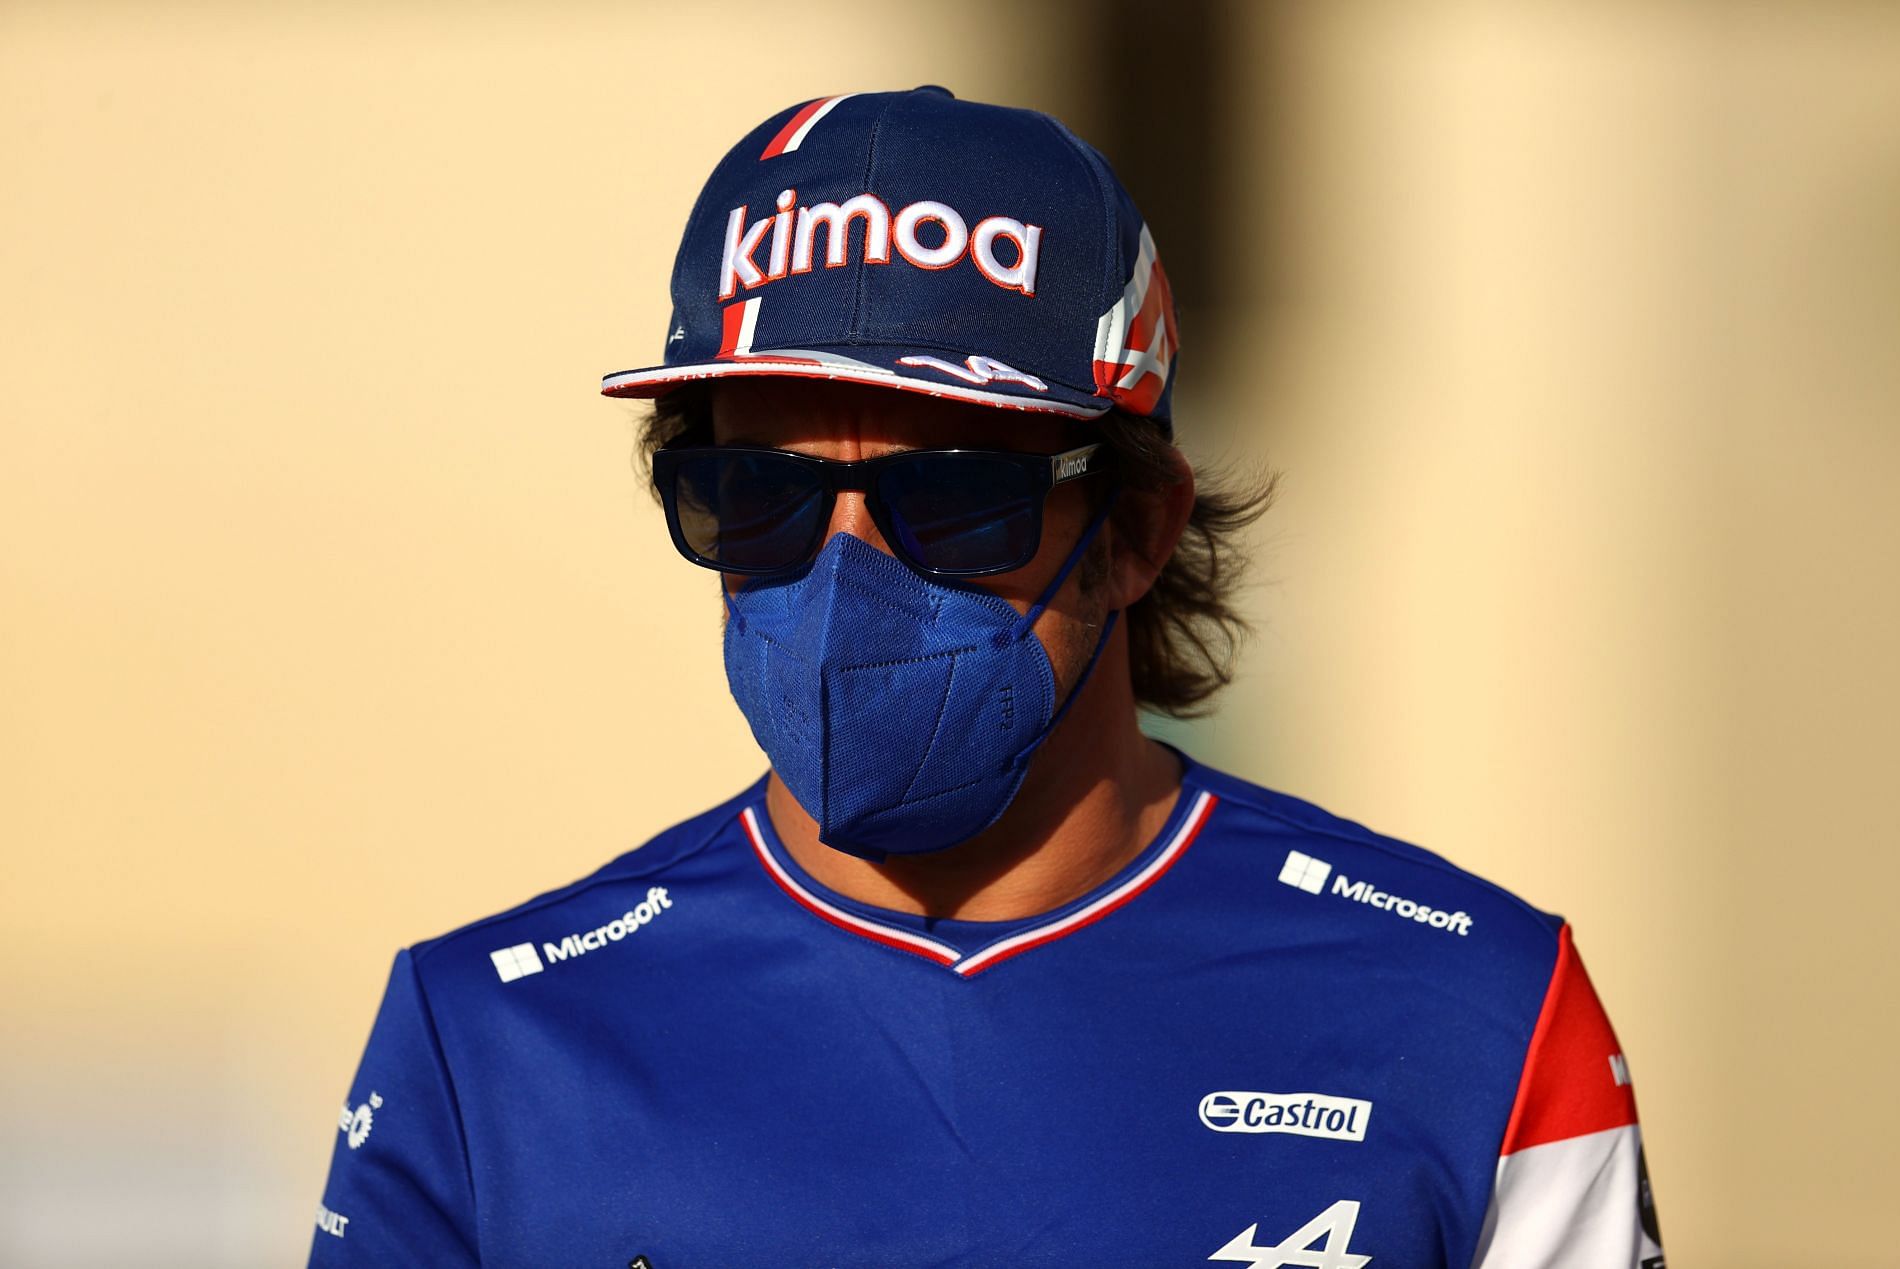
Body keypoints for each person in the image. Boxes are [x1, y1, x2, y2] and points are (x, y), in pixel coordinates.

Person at [309, 86, 1664, 1268]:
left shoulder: (1485, 1023)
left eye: (950, 496)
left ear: (1136, 530)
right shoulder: (485, 1048)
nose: (844, 567)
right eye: (754, 492)